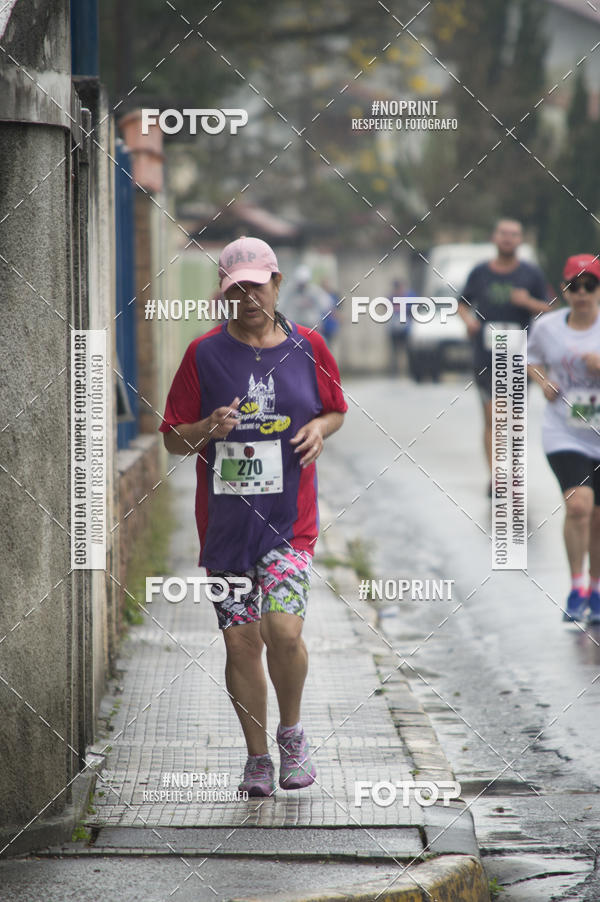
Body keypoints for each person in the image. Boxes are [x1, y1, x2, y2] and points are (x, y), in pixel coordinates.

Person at [159, 236, 347, 796]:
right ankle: (258, 758)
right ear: (223, 293)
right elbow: (171, 438)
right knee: (241, 643)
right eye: (235, 290)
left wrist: (320, 429)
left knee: (283, 630)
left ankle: (292, 733)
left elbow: (336, 409)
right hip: (227, 528)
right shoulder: (203, 354)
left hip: (290, 523)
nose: (247, 299)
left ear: (277, 284)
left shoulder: (310, 346)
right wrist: (204, 429)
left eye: (256, 287)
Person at [527, 254, 600, 624]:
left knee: (598, 516)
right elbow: (531, 359)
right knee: (578, 505)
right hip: (564, 431)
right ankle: (576, 587)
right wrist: (544, 383)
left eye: (590, 285)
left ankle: (596, 588)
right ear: (564, 289)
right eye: (575, 285)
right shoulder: (548, 327)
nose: (582, 292)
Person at [458, 219, 550, 494]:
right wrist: (469, 322)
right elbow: (462, 304)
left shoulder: (531, 274)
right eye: (503, 233)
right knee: (493, 416)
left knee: (513, 419)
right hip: (486, 356)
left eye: (514, 234)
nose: (508, 238)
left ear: (520, 240)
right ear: (494, 237)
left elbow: (550, 310)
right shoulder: (480, 273)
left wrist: (527, 302)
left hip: (520, 359)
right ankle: (497, 476)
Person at [279, 264, 332, 332]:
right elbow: (281, 305)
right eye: (300, 284)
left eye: (304, 284)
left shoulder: (314, 291)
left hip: (311, 325)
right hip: (294, 326)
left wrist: (312, 303)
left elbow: (326, 304)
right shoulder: (289, 290)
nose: (302, 286)